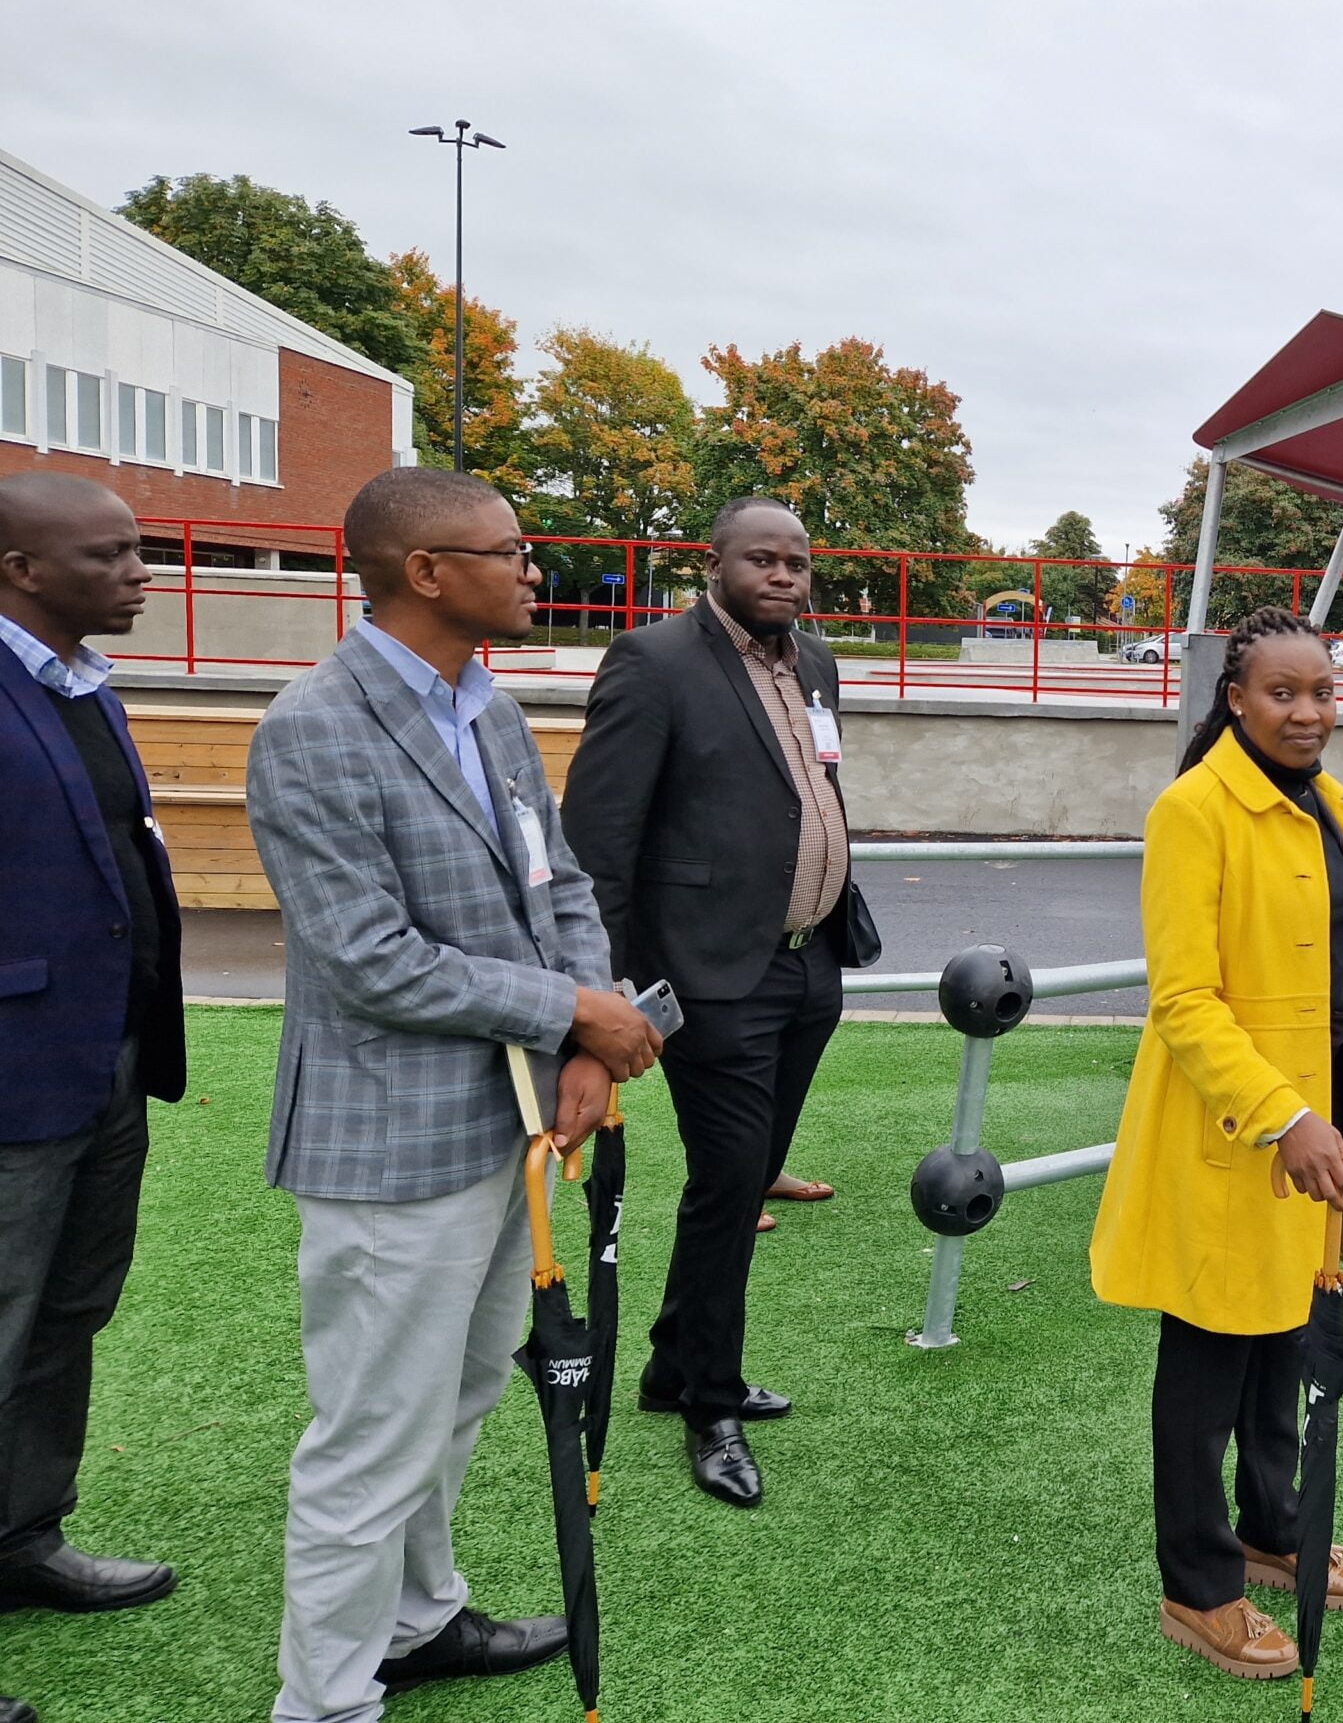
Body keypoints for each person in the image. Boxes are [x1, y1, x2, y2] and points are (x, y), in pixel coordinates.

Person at [248, 468, 661, 1723]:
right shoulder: (314, 725)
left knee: (464, 1395)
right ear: (425, 572)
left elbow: (564, 885)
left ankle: (419, 1622)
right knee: (373, 1435)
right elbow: (366, 958)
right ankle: (323, 1702)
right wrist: (571, 1013)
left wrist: (585, 1045)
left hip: (511, 1124)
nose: (534, 571)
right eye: (510, 551)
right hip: (390, 1144)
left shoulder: (484, 707)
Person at [563, 494, 874, 1508]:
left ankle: (668, 1364)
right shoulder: (655, 664)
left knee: (744, 1178)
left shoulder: (815, 664)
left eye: (798, 561)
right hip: (708, 974)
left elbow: (812, 791)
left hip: (805, 964)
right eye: (763, 560)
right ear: (716, 564)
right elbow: (598, 843)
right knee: (729, 1179)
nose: (783, 576)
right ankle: (710, 1403)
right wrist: (600, 989)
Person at [1089, 607, 1343, 1682]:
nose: (1309, 714)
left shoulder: (1329, 805)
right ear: (1236, 700)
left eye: (1323, 693)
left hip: (1317, 1119)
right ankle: (1197, 1584)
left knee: (1284, 1338)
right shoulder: (1194, 809)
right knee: (1209, 1359)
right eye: (1284, 694)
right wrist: (1284, 1115)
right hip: (1241, 1128)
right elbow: (1186, 1000)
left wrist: (1325, 1114)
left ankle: (1273, 1524)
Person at [0, 475, 188, 1723]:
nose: (141, 573)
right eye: (111, 554)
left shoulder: (80, 683)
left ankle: (23, 1536)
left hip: (103, 1058)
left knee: (68, 1310)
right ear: (22, 568)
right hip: (11, 1076)